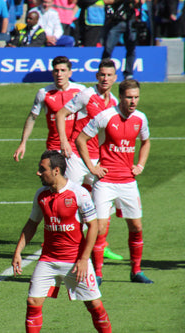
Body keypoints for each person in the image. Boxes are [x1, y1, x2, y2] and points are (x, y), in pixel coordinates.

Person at [12, 150, 112, 333]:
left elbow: (93, 226)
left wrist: (83, 259)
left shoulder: (79, 193)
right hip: (48, 260)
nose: (38, 173)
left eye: (42, 170)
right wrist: (18, 251)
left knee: (95, 306)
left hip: (75, 261)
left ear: (56, 170)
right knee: (33, 302)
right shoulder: (41, 195)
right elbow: (31, 224)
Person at [75, 79, 153, 284]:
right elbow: (80, 140)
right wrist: (92, 168)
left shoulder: (141, 118)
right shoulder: (105, 116)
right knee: (99, 229)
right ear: (121, 97)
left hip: (128, 182)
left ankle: (136, 271)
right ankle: (98, 274)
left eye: (136, 97)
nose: (133, 101)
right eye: (129, 97)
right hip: (106, 182)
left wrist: (140, 165)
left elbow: (145, 142)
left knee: (136, 226)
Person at [55, 59, 122, 278]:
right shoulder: (86, 95)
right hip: (77, 156)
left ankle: (100, 247)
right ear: (97, 76)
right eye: (102, 74)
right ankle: (67, 252)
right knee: (70, 202)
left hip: (99, 160)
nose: (105, 78)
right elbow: (61, 114)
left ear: (115, 78)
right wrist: (64, 141)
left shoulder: (114, 101)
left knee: (104, 205)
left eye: (109, 75)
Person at [13, 55, 85, 162]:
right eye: (56, 71)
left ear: (70, 73)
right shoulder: (44, 93)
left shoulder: (81, 91)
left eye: (63, 70)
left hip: (76, 146)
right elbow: (32, 118)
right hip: (54, 147)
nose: (59, 74)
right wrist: (23, 143)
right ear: (52, 73)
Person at [101, 0, 145, 79]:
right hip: (116, 20)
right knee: (108, 47)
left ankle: (128, 73)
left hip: (131, 21)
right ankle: (104, 71)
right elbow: (105, 1)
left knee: (131, 48)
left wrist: (136, 2)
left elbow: (139, 4)